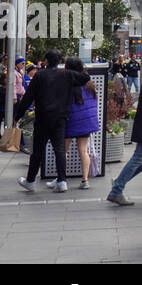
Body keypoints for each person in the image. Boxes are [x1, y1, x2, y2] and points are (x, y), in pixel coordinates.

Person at [15, 50, 91, 193]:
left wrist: (17, 116)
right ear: (59, 61)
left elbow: (28, 97)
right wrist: (81, 68)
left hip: (43, 117)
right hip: (60, 118)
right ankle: (62, 181)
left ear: (46, 61)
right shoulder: (67, 74)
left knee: (37, 150)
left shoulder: (39, 76)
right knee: (60, 149)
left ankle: (30, 181)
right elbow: (85, 78)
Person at [63, 60, 98, 190]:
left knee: (63, 150)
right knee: (83, 151)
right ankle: (85, 180)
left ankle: (61, 178)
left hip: (71, 120)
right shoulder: (89, 83)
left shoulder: (69, 83)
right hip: (86, 122)